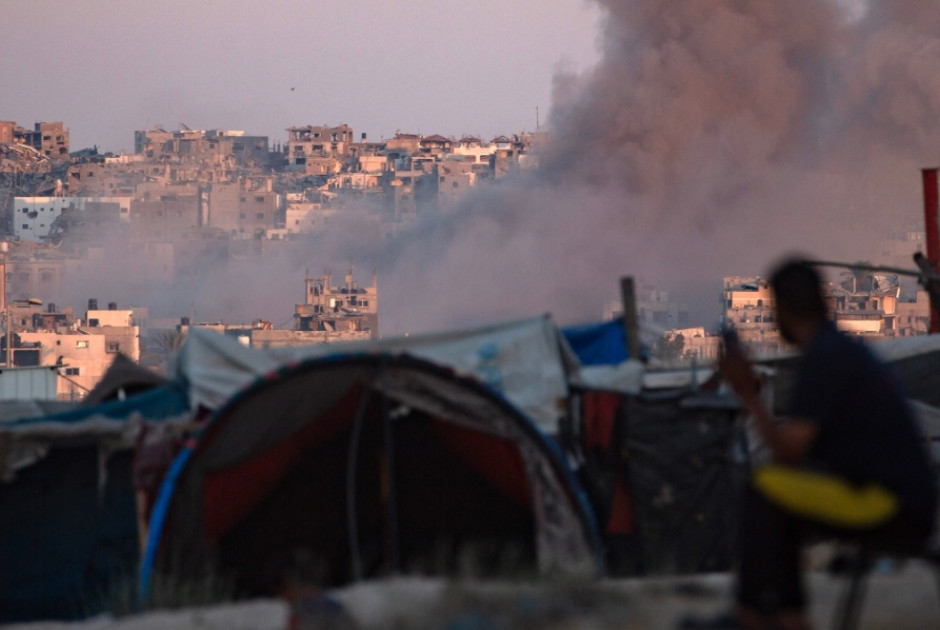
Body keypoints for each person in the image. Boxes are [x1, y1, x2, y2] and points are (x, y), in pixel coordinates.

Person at [686, 258, 937, 630]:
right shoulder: (838, 349)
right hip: (901, 502)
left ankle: (754, 616)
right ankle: (788, 616)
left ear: (783, 310)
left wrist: (748, 394)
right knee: (780, 493)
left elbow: (788, 452)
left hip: (889, 506)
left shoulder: (826, 356)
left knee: (765, 489)